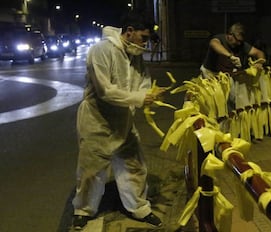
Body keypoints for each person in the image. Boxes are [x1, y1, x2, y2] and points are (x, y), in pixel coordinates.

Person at [71, 10, 165, 230]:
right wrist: (141, 97)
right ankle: (83, 210)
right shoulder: (101, 51)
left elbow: (143, 82)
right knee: (91, 170)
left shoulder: (136, 57)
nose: (145, 44)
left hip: (123, 120)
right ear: (129, 32)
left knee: (134, 165)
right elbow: (105, 90)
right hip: (97, 119)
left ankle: (139, 207)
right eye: (143, 38)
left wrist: (147, 94)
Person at [200, 22, 266, 111]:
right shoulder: (219, 39)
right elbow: (214, 44)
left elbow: (259, 53)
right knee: (214, 101)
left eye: (241, 41)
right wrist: (230, 56)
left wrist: (260, 62)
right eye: (237, 40)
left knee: (235, 99)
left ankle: (238, 119)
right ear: (230, 35)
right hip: (210, 73)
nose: (239, 44)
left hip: (227, 76)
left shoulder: (241, 45)